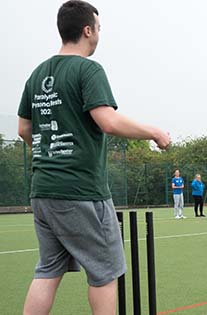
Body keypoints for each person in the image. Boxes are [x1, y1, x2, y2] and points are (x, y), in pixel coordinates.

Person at [17, 1, 170, 314]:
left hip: (43, 190)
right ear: (87, 30)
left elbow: (23, 129)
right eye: (98, 28)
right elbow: (108, 121)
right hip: (81, 191)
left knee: (48, 269)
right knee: (105, 272)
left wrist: (50, 150)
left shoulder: (37, 74)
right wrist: (154, 131)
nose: (99, 34)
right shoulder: (88, 69)